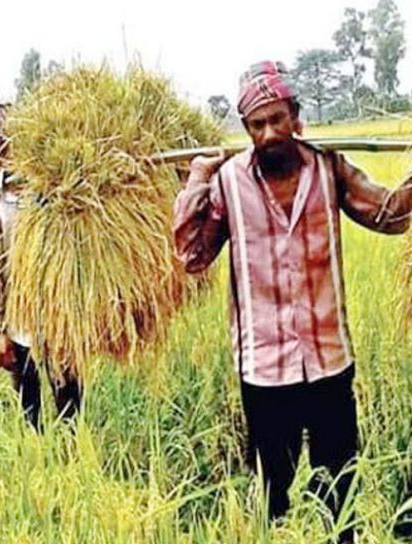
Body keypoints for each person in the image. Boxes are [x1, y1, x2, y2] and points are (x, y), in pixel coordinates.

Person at [173, 60, 412, 543]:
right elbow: (192, 256)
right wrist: (197, 181)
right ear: (245, 129)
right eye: (257, 125)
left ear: (296, 117)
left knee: (339, 489)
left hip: (328, 362)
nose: (268, 134)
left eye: (277, 119)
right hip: (264, 370)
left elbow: (388, 215)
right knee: (272, 495)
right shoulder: (227, 184)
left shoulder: (330, 169)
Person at [0, 103, 81, 431]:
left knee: (71, 410)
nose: (9, 148)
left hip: (59, 319)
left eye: (15, 139)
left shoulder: (52, 184)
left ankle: (73, 472)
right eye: (2, 142)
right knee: (29, 414)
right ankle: (37, 470)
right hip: (19, 325)